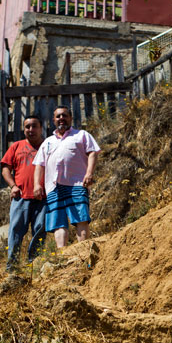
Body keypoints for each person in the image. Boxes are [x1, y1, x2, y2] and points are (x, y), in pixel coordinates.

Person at [32, 106, 101, 248]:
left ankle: (84, 250)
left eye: (64, 115)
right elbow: (39, 165)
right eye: (58, 116)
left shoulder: (81, 135)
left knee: (81, 218)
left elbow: (93, 153)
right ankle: (62, 255)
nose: (61, 119)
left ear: (70, 118)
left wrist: (89, 173)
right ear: (53, 120)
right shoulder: (48, 142)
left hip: (77, 184)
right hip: (53, 187)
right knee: (58, 222)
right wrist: (37, 185)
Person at [0, 115, 46, 271]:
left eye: (34, 126)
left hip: (43, 198)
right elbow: (5, 168)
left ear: (41, 128)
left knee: (40, 229)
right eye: (27, 127)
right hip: (20, 197)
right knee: (15, 231)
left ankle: (33, 264)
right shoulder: (16, 146)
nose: (31, 130)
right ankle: (12, 266)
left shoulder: (48, 146)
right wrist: (13, 186)